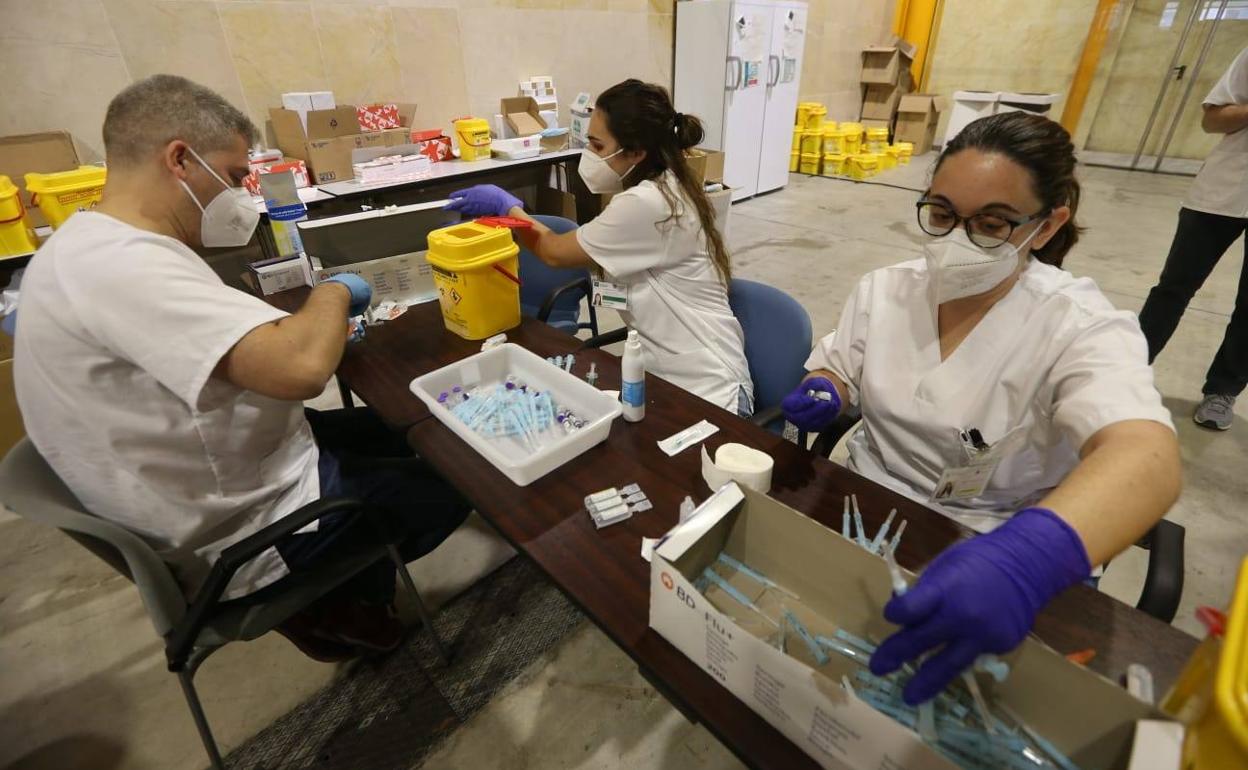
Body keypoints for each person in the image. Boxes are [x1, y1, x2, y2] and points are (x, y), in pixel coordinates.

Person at [14, 75, 469, 662]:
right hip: (243, 530)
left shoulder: (81, 245)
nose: (242, 196)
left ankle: (348, 596)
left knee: (407, 424)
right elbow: (303, 367)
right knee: (458, 477)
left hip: (205, 471)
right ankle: (331, 605)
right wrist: (332, 292)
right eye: (233, 177)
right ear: (180, 158)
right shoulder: (121, 266)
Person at [781, 112, 1181, 704]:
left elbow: (1146, 455)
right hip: (864, 502)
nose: (955, 241)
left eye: (991, 224)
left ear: (1046, 227)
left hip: (989, 544)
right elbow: (839, 365)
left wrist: (1032, 558)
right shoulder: (886, 289)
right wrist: (828, 389)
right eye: (941, 214)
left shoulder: (1079, 324)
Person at [444, 79, 754, 415]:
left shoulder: (649, 203)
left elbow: (553, 251)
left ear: (636, 152)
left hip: (709, 391)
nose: (589, 156)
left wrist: (509, 208)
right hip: (662, 378)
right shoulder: (665, 186)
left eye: (597, 146)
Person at [1138, 45, 1248, 431]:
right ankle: (1128, 368)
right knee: (1173, 287)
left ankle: (1222, 391)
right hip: (1223, 192)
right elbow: (1213, 119)